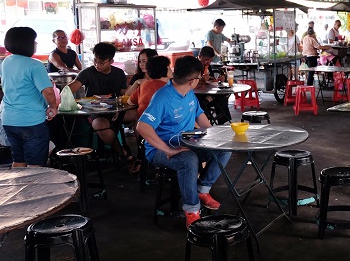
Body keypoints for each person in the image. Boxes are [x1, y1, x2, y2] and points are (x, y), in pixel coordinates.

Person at [137, 56, 232, 228]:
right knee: (188, 160)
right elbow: (142, 127)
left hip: (187, 142)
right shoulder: (163, 97)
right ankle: (192, 210)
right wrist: (168, 150)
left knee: (224, 149)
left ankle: (203, 190)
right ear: (193, 80)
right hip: (159, 149)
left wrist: (216, 137)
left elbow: (200, 116)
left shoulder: (188, 93)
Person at [67, 42, 140, 171]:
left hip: (116, 110)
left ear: (111, 61)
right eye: (95, 60)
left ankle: (141, 154)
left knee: (138, 113)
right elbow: (72, 87)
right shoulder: (87, 73)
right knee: (102, 126)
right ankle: (125, 154)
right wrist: (63, 94)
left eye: (102, 62)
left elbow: (124, 93)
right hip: (95, 113)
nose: (97, 65)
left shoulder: (118, 73)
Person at [0, 26, 58, 167]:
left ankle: (18, 189)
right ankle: (34, 190)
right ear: (26, 43)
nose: (36, 44)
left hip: (9, 120)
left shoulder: (6, 62)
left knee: (18, 161)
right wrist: (53, 106)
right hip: (32, 121)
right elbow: (48, 91)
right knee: (35, 165)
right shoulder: (35, 65)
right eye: (34, 40)